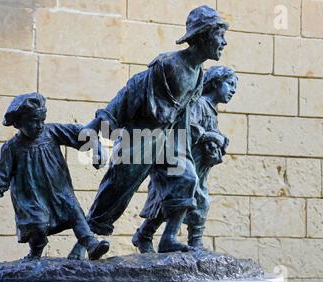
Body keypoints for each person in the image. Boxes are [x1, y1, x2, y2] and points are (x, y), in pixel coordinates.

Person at [69, 6, 229, 258]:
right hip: (141, 137)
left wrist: (183, 148)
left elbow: (183, 114)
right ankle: (82, 245)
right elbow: (132, 91)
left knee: (186, 179)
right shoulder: (168, 64)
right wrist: (99, 123)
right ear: (203, 36)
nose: (224, 42)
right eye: (219, 36)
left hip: (171, 139)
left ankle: (168, 238)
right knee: (117, 189)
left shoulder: (199, 75)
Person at [0, 93, 110, 261]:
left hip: (59, 189)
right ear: (19, 122)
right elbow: (0, 172)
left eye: (42, 120)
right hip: (30, 195)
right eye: (34, 121)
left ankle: (91, 244)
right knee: (37, 225)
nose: (40, 125)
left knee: (74, 212)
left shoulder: (52, 132)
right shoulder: (11, 147)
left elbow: (80, 134)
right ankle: (34, 254)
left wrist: (97, 147)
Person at [133, 66, 238, 253]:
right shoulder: (199, 104)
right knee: (173, 199)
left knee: (193, 200)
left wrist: (219, 141)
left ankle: (153, 236)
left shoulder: (211, 110)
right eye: (230, 84)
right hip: (183, 162)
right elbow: (189, 128)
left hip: (199, 166)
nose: (233, 90)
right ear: (215, 82)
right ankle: (151, 236)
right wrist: (211, 137)